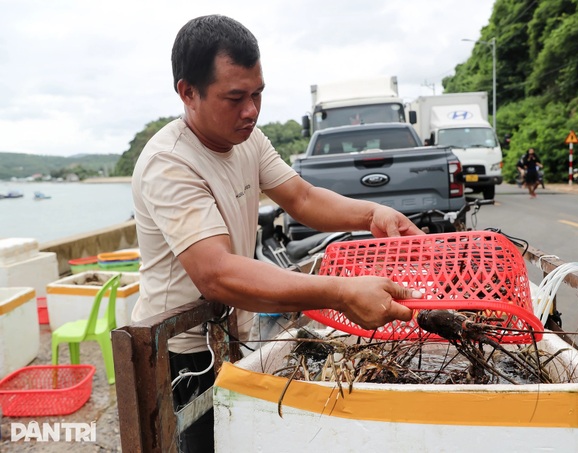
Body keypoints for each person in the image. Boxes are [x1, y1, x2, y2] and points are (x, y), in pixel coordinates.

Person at [131, 14, 423, 453]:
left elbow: (302, 198)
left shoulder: (247, 138)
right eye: (235, 97)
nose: (250, 110)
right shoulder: (170, 163)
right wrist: (342, 292)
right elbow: (216, 273)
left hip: (234, 335)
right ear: (187, 92)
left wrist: (371, 216)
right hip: (181, 356)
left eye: (258, 93)